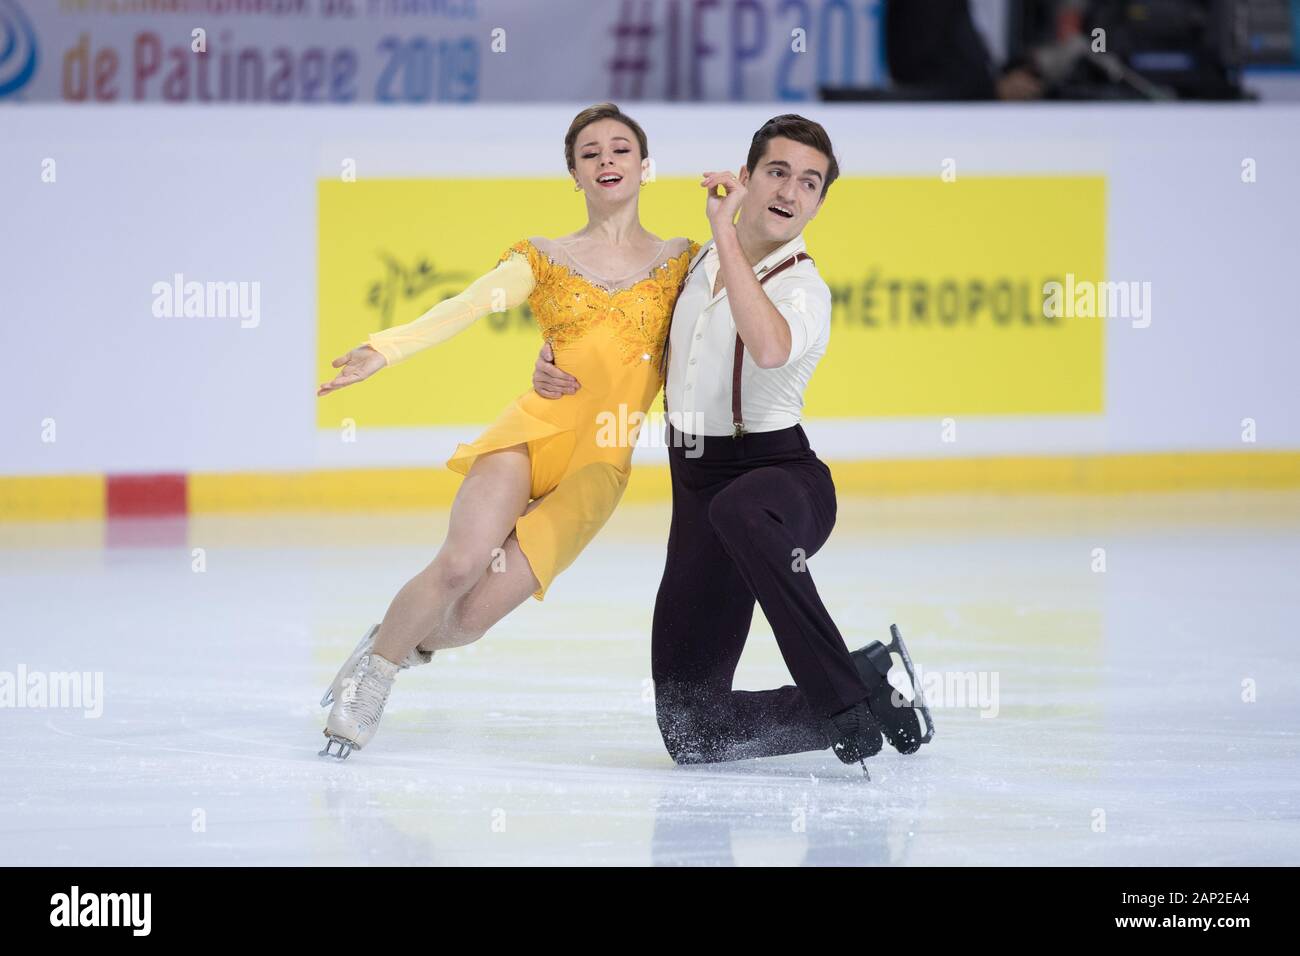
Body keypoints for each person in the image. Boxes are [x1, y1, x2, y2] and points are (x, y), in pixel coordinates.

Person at [534, 115, 934, 772]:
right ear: (746, 178)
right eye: (777, 172)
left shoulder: (804, 287)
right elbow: (622, 343)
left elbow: (770, 347)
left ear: (819, 202)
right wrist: (552, 364)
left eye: (810, 183)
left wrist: (725, 234)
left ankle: (842, 706)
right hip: (696, 481)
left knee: (740, 510)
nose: (791, 191)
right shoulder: (688, 263)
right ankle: (870, 688)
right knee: (693, 732)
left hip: (779, 478)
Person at [314, 103, 698, 759]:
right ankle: (373, 678)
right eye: (591, 153)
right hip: (532, 434)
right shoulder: (544, 257)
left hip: (597, 470)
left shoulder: (682, 261)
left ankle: (394, 640)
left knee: (466, 622)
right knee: (460, 562)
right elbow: (467, 304)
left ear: (644, 165)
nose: (607, 160)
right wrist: (387, 349)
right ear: (574, 174)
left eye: (621, 148)